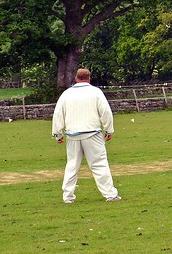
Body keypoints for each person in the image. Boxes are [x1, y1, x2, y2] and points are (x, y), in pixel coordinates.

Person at [51, 68, 121, 203]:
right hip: (92, 134)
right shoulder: (96, 92)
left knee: (72, 165)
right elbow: (106, 112)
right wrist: (109, 130)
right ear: (89, 79)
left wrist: (57, 134)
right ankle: (110, 195)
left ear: (76, 78)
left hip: (72, 135)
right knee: (99, 164)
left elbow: (58, 114)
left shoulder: (66, 94)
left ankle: (68, 197)